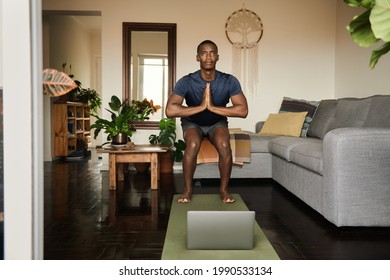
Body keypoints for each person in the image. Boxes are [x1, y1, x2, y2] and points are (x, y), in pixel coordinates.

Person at [165, 40, 248, 203]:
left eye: (212, 53)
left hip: (217, 123)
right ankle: (188, 190)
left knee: (224, 145)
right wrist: (202, 106)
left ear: (217, 57)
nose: (208, 56)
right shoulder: (186, 81)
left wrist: (213, 108)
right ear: (198, 57)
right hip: (192, 123)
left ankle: (224, 191)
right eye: (204, 53)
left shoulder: (229, 80)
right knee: (193, 144)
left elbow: (243, 110)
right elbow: (170, 110)